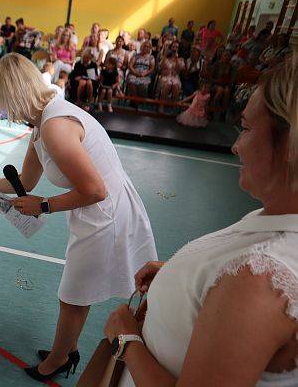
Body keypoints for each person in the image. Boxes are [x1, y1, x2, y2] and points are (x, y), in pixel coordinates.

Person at [105, 55, 298, 387]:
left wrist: (125, 338)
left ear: (290, 147)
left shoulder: (259, 281)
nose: (236, 145)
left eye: (248, 128)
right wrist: (180, 277)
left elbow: (246, 295)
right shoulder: (276, 222)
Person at [0, 53, 157, 382]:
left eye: (0, 101)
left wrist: (43, 205)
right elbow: (25, 180)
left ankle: (61, 359)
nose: (2, 110)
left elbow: (95, 190)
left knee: (73, 294)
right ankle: (66, 350)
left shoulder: (55, 127)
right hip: (92, 208)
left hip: (105, 212)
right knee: (77, 290)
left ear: (12, 94)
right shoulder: (43, 122)